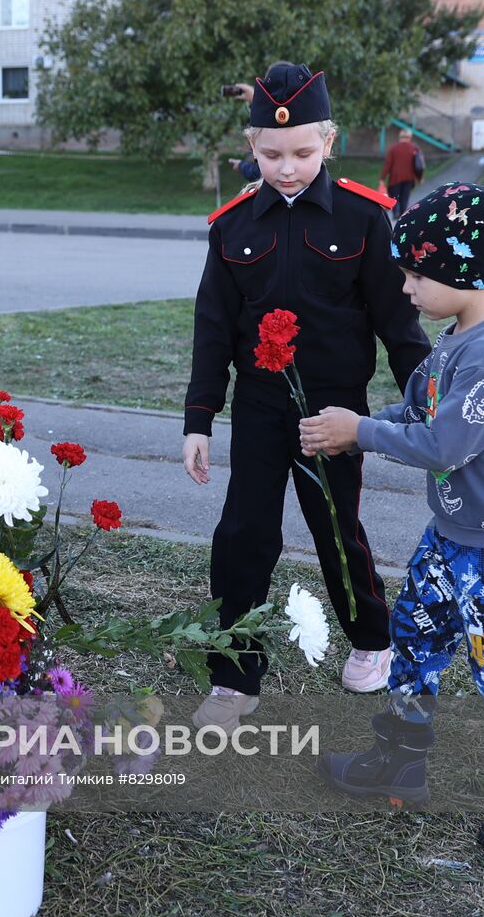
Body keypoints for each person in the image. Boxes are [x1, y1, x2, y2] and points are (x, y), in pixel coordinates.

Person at [301, 183, 484, 862]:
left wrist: (364, 432)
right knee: (416, 638)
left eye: (414, 273)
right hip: (453, 537)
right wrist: (352, 430)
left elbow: (443, 445)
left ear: (461, 272)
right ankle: (400, 760)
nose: (404, 286)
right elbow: (423, 409)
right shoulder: (459, 333)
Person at [182, 62, 430, 733]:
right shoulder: (230, 226)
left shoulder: (363, 216)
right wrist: (199, 418)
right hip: (261, 407)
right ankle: (235, 678)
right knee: (243, 537)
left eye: (300, 152)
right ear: (251, 146)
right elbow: (213, 327)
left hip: (334, 411)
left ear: (328, 141)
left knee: (335, 531)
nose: (285, 167)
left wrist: (431, 401)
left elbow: (398, 326)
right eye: (269, 154)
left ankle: (373, 640)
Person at [379, 128, 424, 222]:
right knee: (405, 196)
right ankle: (403, 213)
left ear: (400, 137)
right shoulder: (414, 148)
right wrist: (419, 178)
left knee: (394, 196)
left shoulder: (393, 148)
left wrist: (382, 178)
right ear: (409, 137)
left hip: (395, 178)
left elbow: (388, 164)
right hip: (409, 178)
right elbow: (419, 164)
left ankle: (395, 212)